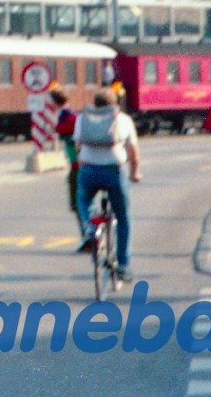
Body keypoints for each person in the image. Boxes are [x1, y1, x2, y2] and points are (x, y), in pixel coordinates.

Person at [73, 88, 142, 281]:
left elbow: (78, 146)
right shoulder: (124, 120)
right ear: (114, 104)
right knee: (123, 216)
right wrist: (135, 172)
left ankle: (88, 226)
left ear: (94, 103)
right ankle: (124, 265)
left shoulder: (82, 118)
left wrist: (86, 161)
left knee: (83, 199)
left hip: (88, 170)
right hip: (114, 171)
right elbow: (133, 154)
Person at [48, 88, 85, 240]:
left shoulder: (67, 116)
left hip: (77, 166)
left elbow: (63, 130)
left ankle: (88, 235)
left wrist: (56, 129)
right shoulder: (72, 114)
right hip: (82, 164)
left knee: (77, 203)